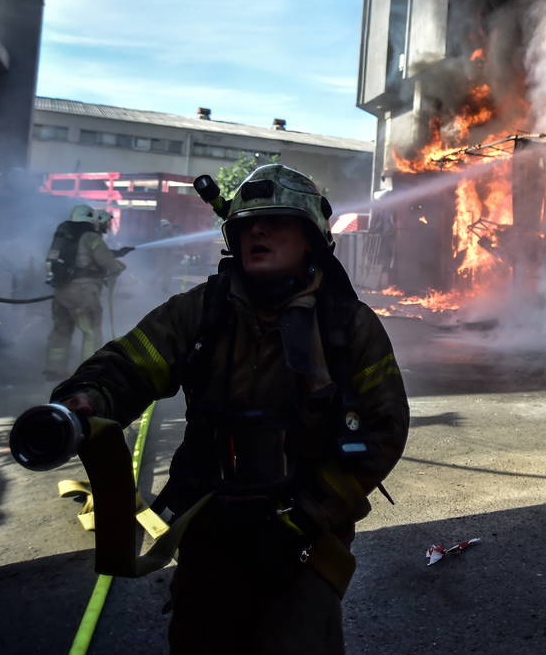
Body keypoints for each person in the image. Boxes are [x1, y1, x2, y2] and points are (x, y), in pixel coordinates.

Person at [49, 165, 409, 653]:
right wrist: (86, 398)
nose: (256, 231)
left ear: (311, 239)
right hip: (210, 527)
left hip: (302, 541)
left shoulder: (349, 326)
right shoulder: (202, 310)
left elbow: (384, 429)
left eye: (276, 221)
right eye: (245, 225)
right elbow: (131, 364)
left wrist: (306, 513)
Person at [44, 204, 127, 379]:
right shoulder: (90, 236)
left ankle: (54, 369)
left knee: (61, 330)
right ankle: (89, 374)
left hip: (61, 291)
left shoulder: (64, 235)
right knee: (91, 332)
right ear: (90, 218)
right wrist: (116, 267)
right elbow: (107, 262)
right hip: (83, 293)